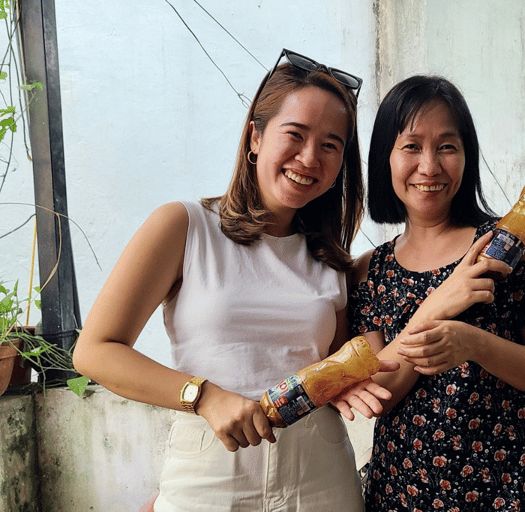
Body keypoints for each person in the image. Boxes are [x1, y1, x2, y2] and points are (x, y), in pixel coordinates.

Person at [73, 49, 395, 512]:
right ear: (255, 137)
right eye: (295, 134)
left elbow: (330, 366)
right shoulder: (184, 227)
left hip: (321, 475)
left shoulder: (331, 260)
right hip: (210, 473)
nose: (309, 157)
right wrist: (203, 396)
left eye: (330, 145)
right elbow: (95, 350)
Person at [348, 75, 525, 511]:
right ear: (385, 158)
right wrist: (434, 317)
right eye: (411, 146)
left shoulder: (506, 248)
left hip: (504, 490)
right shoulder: (368, 272)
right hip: (402, 491)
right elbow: (378, 392)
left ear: (467, 156)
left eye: (447, 146)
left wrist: (472, 343)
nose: (430, 166)